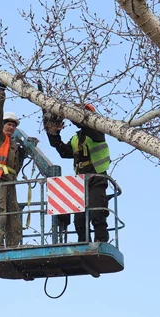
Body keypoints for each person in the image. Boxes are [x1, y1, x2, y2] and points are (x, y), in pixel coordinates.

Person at [45, 104, 111, 243]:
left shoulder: (97, 132)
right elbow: (63, 151)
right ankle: (83, 242)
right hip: (80, 181)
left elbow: (85, 126)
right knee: (80, 218)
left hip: (97, 177)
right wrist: (53, 133)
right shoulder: (76, 138)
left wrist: (69, 115)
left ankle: (101, 240)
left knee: (97, 212)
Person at [0, 79, 24, 249]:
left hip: (10, 183)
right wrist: (1, 92)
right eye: (8, 124)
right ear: (2, 125)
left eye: (13, 125)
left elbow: (16, 167)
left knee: (14, 216)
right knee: (0, 215)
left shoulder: (13, 145)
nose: (11, 127)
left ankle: (13, 246)